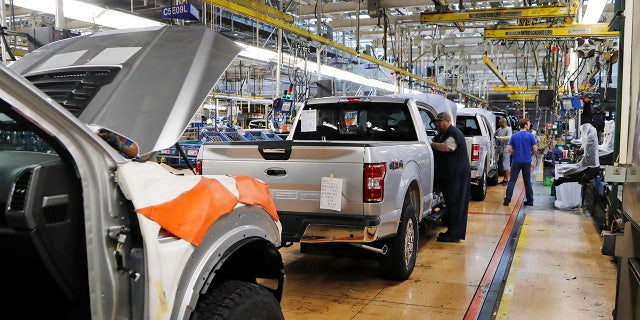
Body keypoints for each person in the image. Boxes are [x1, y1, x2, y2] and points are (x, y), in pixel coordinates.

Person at [430, 112, 471, 243]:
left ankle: (454, 235)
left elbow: (447, 147)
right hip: (451, 176)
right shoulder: (444, 133)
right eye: (436, 122)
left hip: (457, 176)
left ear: (447, 121)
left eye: (439, 121)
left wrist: (430, 144)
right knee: (452, 205)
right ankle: (453, 232)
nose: (437, 123)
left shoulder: (454, 133)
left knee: (456, 205)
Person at [503, 119, 538, 206]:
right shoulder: (530, 136)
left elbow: (509, 149)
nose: (529, 125)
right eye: (528, 124)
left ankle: (507, 200)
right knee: (527, 182)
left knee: (512, 181)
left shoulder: (514, 136)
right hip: (526, 161)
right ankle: (530, 201)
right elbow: (535, 149)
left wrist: (516, 153)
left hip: (516, 161)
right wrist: (529, 153)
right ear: (525, 125)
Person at [496, 117, 512, 186]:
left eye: (500, 123)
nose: (499, 124)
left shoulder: (508, 129)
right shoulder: (499, 129)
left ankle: (507, 180)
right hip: (501, 148)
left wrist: (500, 138)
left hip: (506, 148)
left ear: (504, 122)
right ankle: (504, 179)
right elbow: (494, 134)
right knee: (502, 165)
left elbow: (509, 137)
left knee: (506, 165)